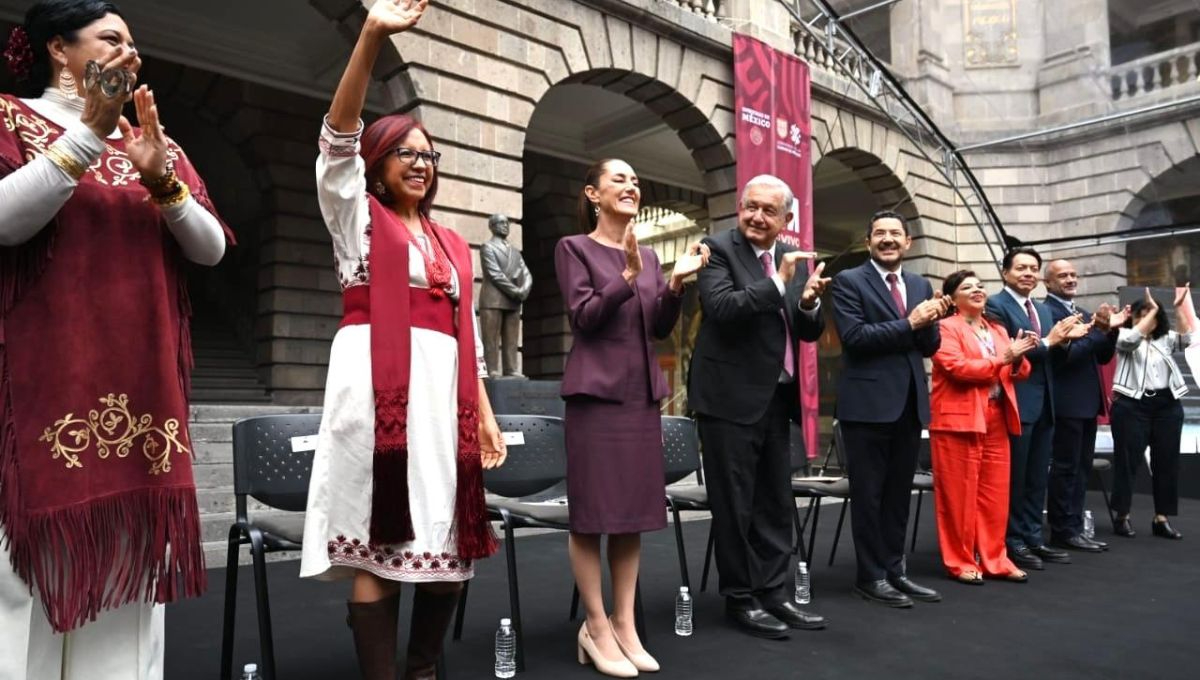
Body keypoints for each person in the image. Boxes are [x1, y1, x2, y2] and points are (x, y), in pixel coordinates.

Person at [0, 1, 230, 678]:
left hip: (142, 390)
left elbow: (212, 250)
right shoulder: (9, 116)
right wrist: (87, 136)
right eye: (110, 39)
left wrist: (162, 179)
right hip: (37, 386)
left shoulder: (155, 142)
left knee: (129, 597)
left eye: (134, 43)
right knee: (20, 589)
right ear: (57, 49)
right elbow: (6, 223)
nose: (130, 54)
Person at [296, 3, 506, 679]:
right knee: (375, 548)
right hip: (374, 394)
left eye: (428, 154)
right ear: (377, 162)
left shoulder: (451, 241)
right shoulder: (355, 218)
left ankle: (423, 668)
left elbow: (463, 334)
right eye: (404, 154)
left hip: (446, 405)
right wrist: (371, 36)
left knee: (450, 547)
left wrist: (488, 417)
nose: (420, 163)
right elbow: (336, 137)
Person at [555, 158, 708, 676]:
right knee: (593, 515)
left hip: (639, 398)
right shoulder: (573, 249)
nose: (631, 185)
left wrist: (675, 286)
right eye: (618, 179)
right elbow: (585, 318)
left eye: (636, 180)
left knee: (630, 517)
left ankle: (626, 624)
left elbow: (658, 328)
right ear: (593, 195)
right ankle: (595, 626)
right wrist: (625, 276)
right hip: (596, 399)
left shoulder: (646, 254)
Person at [689, 174, 830, 638]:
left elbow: (806, 332)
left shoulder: (794, 265)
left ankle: (774, 593)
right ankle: (741, 598)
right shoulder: (717, 250)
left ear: (786, 219)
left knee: (774, 501)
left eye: (769, 211)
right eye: (751, 206)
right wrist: (778, 282)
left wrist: (807, 304)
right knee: (735, 505)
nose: (756, 216)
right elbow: (723, 307)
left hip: (776, 399)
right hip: (728, 400)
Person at [831, 209, 946, 608]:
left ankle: (896, 570)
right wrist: (912, 324)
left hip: (910, 404)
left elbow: (929, 346)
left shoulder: (919, 283)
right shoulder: (849, 281)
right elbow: (856, 337)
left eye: (895, 233)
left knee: (899, 494)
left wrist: (931, 322)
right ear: (868, 242)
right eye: (879, 233)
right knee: (870, 495)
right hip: (866, 407)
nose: (888, 239)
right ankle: (870, 576)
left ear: (907, 243)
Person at [984, 247, 1089, 572]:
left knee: (1036, 477)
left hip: (1046, 405)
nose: (1028, 273)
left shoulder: (1043, 310)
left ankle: (1033, 537)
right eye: (1021, 268)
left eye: (1033, 268)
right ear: (1005, 273)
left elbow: (1055, 359)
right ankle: (1012, 541)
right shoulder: (994, 306)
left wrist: (1067, 341)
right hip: (1016, 404)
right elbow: (1010, 354)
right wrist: (1052, 340)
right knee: (1015, 478)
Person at [930, 271, 1037, 584]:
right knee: (958, 497)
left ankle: (995, 559)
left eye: (980, 285)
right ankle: (960, 561)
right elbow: (959, 368)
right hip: (958, 420)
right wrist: (1006, 358)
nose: (977, 290)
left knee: (995, 495)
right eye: (967, 287)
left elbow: (1021, 370)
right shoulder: (944, 328)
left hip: (996, 416)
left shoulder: (997, 328)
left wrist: (1016, 359)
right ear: (952, 299)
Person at [1043, 259, 1120, 553]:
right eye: (1062, 276)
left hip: (1087, 402)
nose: (1070, 279)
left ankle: (1074, 527)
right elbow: (1066, 356)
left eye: (1073, 274)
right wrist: (1099, 331)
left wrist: (1110, 332)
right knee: (1065, 468)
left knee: (1081, 468)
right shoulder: (1046, 312)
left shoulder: (1083, 313)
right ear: (1048, 283)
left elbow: (1100, 358)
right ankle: (1062, 529)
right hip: (1065, 403)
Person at [1109, 288, 1191, 540]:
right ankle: (1122, 515)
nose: (1145, 319)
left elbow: (1188, 338)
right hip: (1132, 405)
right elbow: (1131, 340)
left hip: (1167, 404)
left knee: (1167, 462)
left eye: (1150, 315)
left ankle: (1161, 518)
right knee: (1127, 461)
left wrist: (1177, 307)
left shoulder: (1165, 338)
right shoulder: (1123, 335)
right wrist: (1151, 310)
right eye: (1140, 315)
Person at [479, 213, 532, 378]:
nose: (505, 225)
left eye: (507, 223)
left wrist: (525, 289)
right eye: (501, 223)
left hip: (513, 302)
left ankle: (511, 368)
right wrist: (515, 291)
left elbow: (526, 272)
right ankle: (492, 368)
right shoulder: (487, 247)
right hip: (493, 300)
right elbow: (494, 274)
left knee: (512, 339)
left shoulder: (515, 251)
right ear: (492, 226)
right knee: (491, 339)